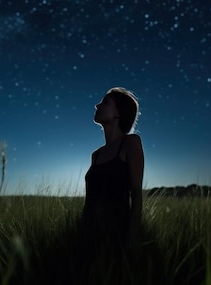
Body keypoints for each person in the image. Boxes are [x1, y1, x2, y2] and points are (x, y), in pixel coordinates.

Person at [78, 87, 144, 277]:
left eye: (105, 102)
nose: (97, 105)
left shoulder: (130, 143)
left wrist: (132, 235)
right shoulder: (96, 155)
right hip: (91, 233)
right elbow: (90, 200)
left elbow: (136, 193)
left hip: (117, 233)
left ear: (118, 113)